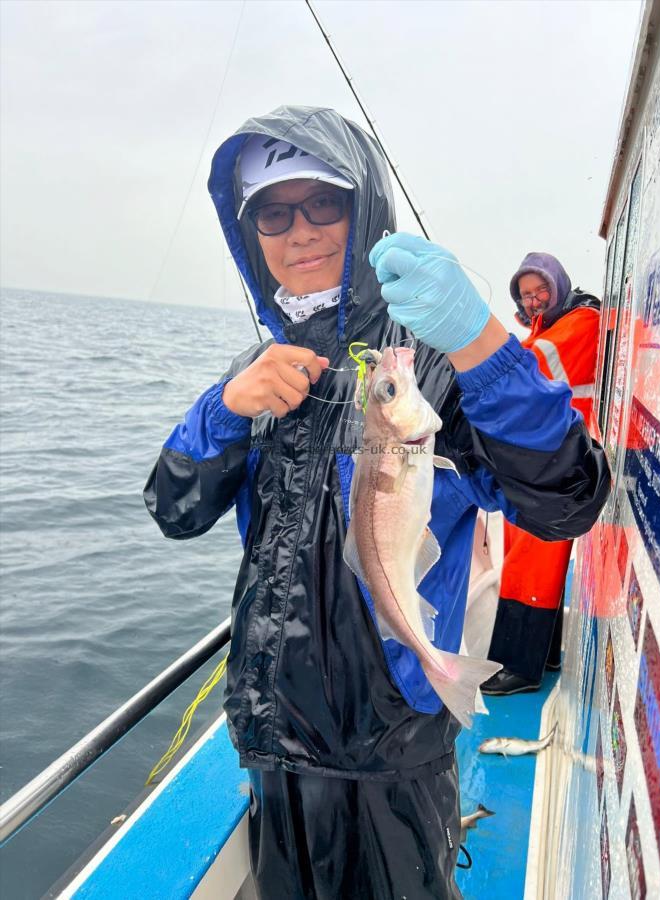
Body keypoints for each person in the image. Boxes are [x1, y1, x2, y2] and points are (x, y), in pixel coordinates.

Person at [144, 107, 610, 899]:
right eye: (272, 211)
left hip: (387, 747)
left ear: (364, 207)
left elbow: (566, 499)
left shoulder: (431, 365)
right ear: (247, 231)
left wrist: (480, 344)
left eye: (323, 202)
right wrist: (224, 408)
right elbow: (174, 509)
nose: (301, 231)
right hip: (271, 739)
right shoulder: (256, 370)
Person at [482, 253, 602, 696]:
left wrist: (473, 348)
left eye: (541, 291)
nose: (534, 302)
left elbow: (530, 367)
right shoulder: (551, 325)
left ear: (559, 284)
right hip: (543, 460)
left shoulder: (582, 322)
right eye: (526, 296)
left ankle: (519, 667)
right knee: (529, 552)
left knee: (532, 559)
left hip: (558, 465)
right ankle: (545, 654)